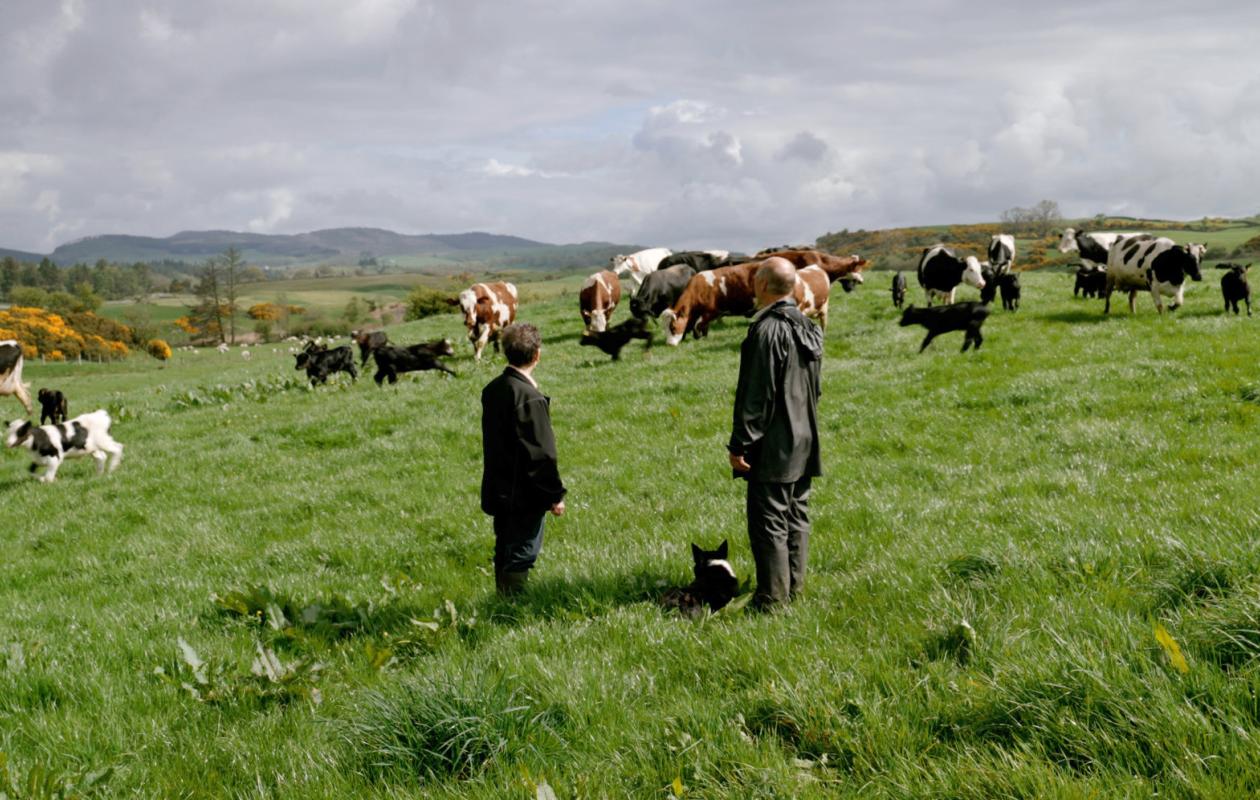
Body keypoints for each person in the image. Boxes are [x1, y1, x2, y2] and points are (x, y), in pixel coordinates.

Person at [728, 257, 823, 610]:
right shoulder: (809, 326)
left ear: (764, 285)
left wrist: (740, 444)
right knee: (796, 516)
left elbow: (757, 395)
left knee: (768, 522)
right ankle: (794, 589)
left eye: (756, 280)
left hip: (775, 441)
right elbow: (816, 388)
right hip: (805, 436)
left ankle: (771, 600)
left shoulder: (766, 330)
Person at [480, 323, 567, 596]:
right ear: (537, 355)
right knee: (521, 552)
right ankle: (512, 610)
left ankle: (501, 601)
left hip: (499, 487)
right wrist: (555, 494)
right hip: (523, 494)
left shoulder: (493, 389)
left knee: (505, 546)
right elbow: (541, 454)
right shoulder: (529, 398)